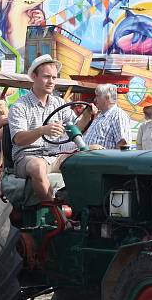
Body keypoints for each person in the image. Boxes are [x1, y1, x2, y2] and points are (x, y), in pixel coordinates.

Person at [9, 54, 94, 202]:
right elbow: (19, 139)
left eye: (54, 78)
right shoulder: (19, 106)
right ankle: (55, 214)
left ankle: (88, 208)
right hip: (27, 157)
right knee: (38, 166)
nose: (51, 82)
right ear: (34, 77)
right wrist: (42, 130)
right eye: (46, 77)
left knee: (96, 151)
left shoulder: (59, 103)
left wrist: (86, 116)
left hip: (55, 156)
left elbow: (74, 129)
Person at [82, 84, 132, 149]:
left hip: (104, 158)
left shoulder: (118, 115)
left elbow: (123, 144)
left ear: (107, 97)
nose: (95, 99)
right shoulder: (100, 115)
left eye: (97, 96)